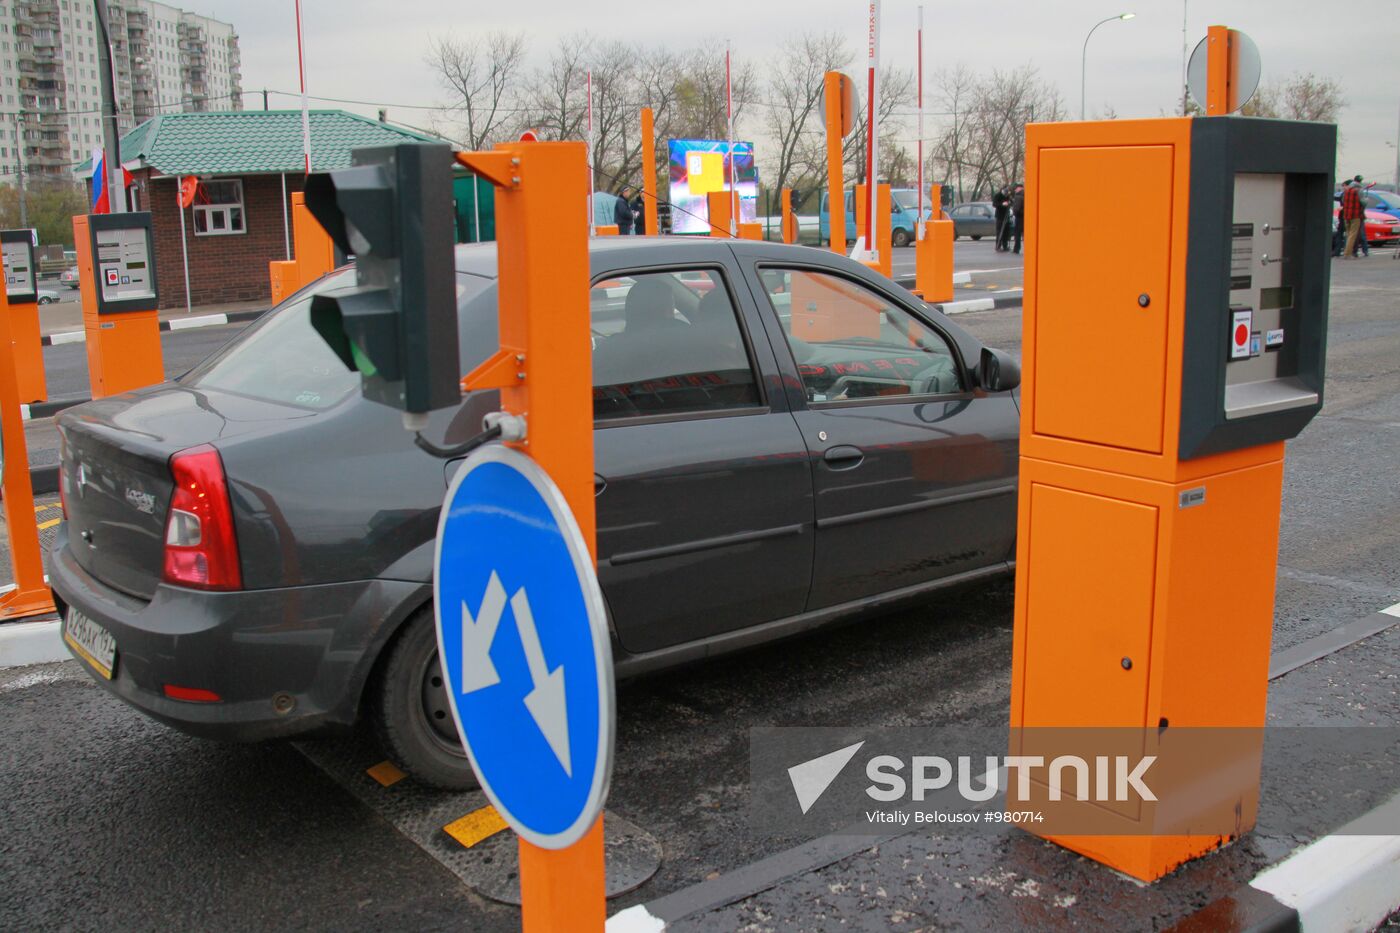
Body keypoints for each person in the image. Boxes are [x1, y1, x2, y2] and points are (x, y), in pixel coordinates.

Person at [1340, 176, 1365, 259]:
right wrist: (1366, 199)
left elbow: (1343, 201)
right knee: (1353, 235)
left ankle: (1345, 252)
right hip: (1356, 215)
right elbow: (1363, 202)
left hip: (1346, 215)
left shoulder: (1346, 191)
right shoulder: (1359, 190)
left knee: (1348, 234)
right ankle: (1348, 254)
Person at [992, 186, 1012, 251]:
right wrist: (1002, 204)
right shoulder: (998, 195)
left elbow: (1011, 202)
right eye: (1006, 191)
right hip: (1000, 216)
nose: (1007, 193)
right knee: (1000, 231)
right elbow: (994, 204)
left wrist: (1009, 203)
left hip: (1006, 215)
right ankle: (998, 246)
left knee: (1006, 232)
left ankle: (1005, 246)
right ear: (1003, 190)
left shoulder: (1008, 196)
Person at [1010, 182, 1026, 254]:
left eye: (1016, 188)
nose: (1015, 190)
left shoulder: (1018, 196)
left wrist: (1014, 213)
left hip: (1019, 217)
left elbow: (1016, 208)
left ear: (1019, 188)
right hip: (1025, 217)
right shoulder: (1025, 194)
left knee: (1017, 233)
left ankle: (1016, 249)